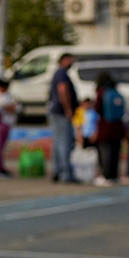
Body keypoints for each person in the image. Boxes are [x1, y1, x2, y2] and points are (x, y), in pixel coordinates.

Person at [47, 53, 78, 183]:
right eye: (70, 59)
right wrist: (68, 109)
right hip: (61, 113)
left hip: (56, 112)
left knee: (58, 142)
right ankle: (65, 173)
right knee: (64, 143)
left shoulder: (59, 73)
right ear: (64, 60)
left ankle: (58, 170)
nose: (72, 62)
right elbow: (62, 90)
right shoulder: (61, 74)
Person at [93, 72, 126, 187]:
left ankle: (105, 176)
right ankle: (114, 176)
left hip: (105, 127)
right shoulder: (116, 92)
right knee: (115, 152)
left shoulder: (102, 93)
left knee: (105, 152)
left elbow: (97, 109)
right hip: (118, 127)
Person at [0, 78, 19, 178]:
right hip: (2, 124)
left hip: (1, 124)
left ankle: (0, 167)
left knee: (0, 147)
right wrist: (13, 106)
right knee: (0, 148)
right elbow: (11, 107)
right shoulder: (1, 96)